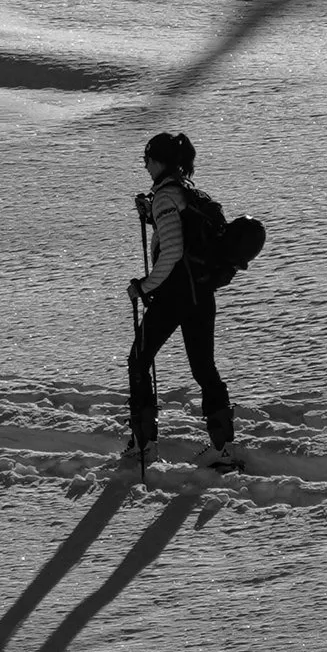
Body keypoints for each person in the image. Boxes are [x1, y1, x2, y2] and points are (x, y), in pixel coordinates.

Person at [126, 127, 238, 469]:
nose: (145, 166)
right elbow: (182, 235)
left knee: (138, 359)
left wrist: (144, 286)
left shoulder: (165, 197)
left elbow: (172, 251)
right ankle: (224, 447)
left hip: (175, 294)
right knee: (204, 367)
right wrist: (151, 213)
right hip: (201, 293)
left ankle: (144, 445)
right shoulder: (186, 192)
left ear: (160, 162)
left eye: (147, 160)